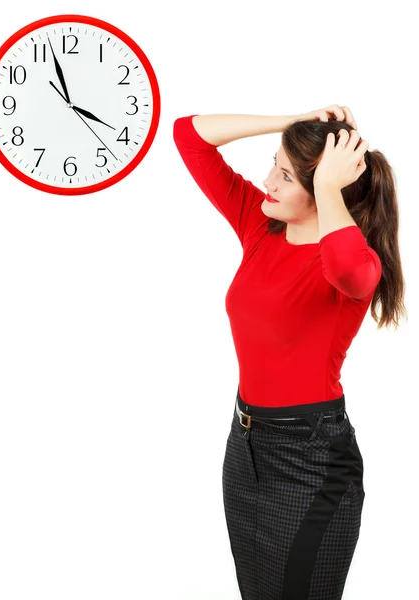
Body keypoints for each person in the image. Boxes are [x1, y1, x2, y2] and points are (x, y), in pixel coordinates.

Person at [172, 106, 406, 600]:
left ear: (325, 189)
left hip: (312, 459)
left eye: (283, 175)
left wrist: (326, 185)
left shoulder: (356, 261)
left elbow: (348, 269)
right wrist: (291, 123)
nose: (267, 183)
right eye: (272, 165)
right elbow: (188, 136)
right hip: (245, 449)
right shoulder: (261, 228)